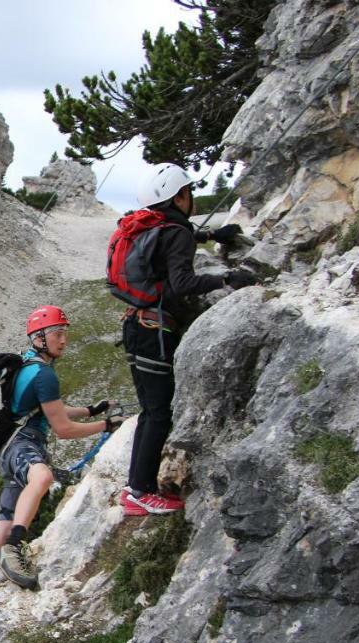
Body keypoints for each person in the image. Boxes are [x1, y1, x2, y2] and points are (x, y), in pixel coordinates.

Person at [118, 163, 258, 516]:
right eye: (188, 192)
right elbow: (181, 282)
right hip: (154, 332)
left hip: (137, 327)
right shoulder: (174, 231)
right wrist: (226, 280)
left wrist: (211, 236)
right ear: (179, 196)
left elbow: (175, 243)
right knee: (158, 413)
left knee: (151, 412)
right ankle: (139, 491)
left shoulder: (155, 227)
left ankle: (137, 488)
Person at [0, 306, 123, 588]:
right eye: (57, 334)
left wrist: (90, 410)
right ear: (39, 338)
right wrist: (106, 426)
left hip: (9, 448)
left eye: (65, 334)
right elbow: (63, 429)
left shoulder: (28, 364)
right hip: (23, 444)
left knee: (5, 520)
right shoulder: (44, 374)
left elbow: (52, 410)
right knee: (42, 477)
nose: (64, 340)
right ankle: (14, 547)